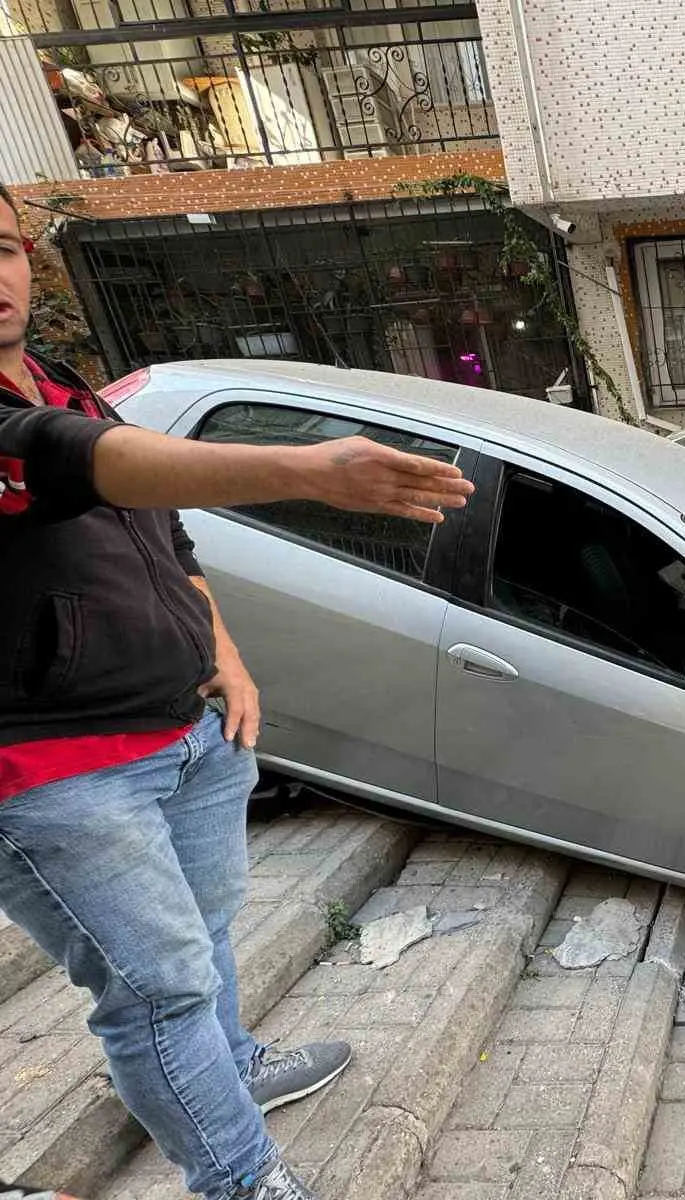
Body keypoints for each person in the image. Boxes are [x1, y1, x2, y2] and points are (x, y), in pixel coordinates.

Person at [0, 185, 473, 1200]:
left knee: (202, 942)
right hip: (56, 775)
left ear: (28, 257)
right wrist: (302, 470)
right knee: (153, 991)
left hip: (184, 735)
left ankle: (234, 1069)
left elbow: (165, 533)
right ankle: (241, 1179)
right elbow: (90, 464)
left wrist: (227, 655)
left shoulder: (58, 380)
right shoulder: (40, 424)